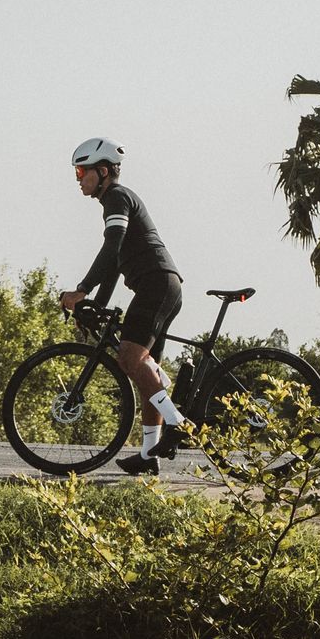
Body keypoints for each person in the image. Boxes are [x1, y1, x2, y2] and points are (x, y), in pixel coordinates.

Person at [58, 136, 190, 475]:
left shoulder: (116, 197)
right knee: (147, 374)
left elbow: (112, 246)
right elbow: (117, 261)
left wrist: (83, 290)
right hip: (160, 284)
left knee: (130, 358)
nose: (77, 179)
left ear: (102, 172)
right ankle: (149, 455)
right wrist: (98, 306)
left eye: (80, 171)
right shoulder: (114, 200)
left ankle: (178, 424)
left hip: (156, 284)